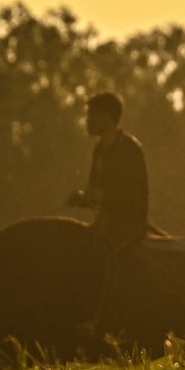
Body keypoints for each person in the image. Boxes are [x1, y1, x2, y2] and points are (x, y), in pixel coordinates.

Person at [65, 91, 148, 334]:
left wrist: (101, 196)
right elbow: (95, 191)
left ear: (108, 117)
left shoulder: (130, 149)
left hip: (127, 225)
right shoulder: (100, 150)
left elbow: (134, 193)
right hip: (105, 221)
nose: (87, 121)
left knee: (102, 257)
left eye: (92, 115)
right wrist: (82, 198)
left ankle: (98, 320)